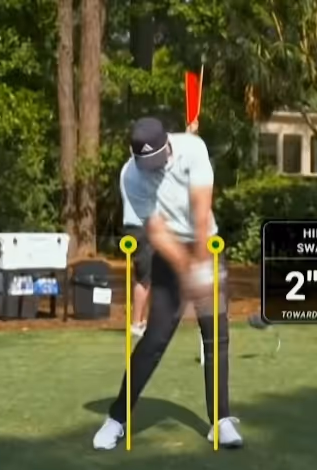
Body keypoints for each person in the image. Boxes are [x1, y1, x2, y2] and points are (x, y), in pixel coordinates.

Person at [92, 117, 242, 450]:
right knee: (154, 340)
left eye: (154, 162)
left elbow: (202, 212)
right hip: (168, 252)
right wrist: (186, 270)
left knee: (216, 336)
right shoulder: (130, 175)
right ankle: (117, 418)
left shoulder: (193, 150)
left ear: (168, 149)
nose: (149, 169)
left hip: (206, 244)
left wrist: (202, 265)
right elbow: (157, 231)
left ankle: (220, 421)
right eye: (142, 163)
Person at [120, 159, 151, 338]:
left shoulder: (128, 167)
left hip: (134, 225)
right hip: (141, 226)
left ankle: (142, 319)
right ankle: (137, 322)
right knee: (144, 277)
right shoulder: (138, 169)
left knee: (148, 275)